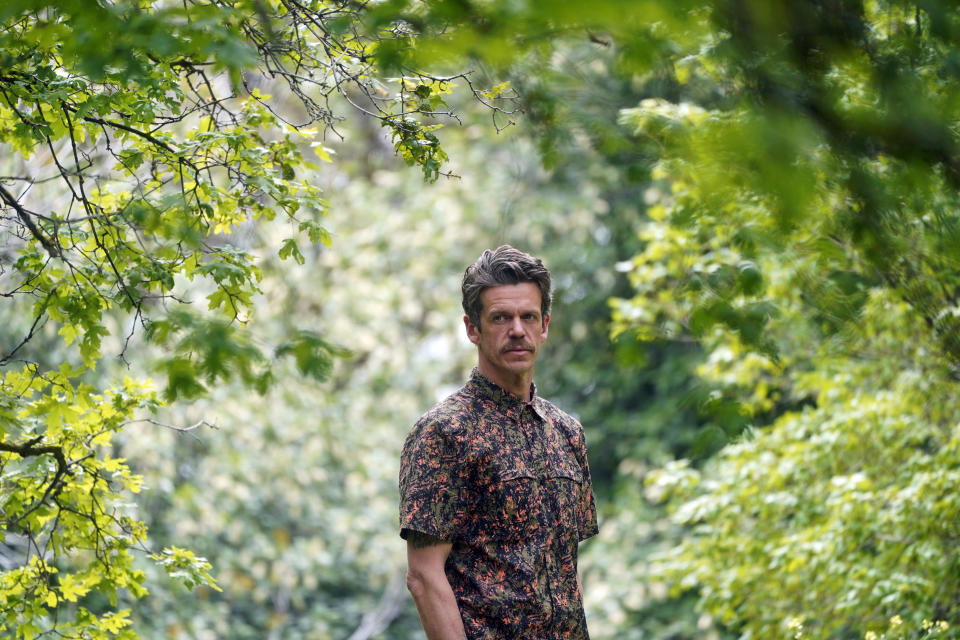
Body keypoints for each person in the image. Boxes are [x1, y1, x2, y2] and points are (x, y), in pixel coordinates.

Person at [399, 245, 599, 640]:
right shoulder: (444, 432)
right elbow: (423, 577)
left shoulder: (566, 432)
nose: (517, 330)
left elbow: (565, 568)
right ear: (473, 328)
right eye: (500, 318)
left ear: (545, 326)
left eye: (528, 317)